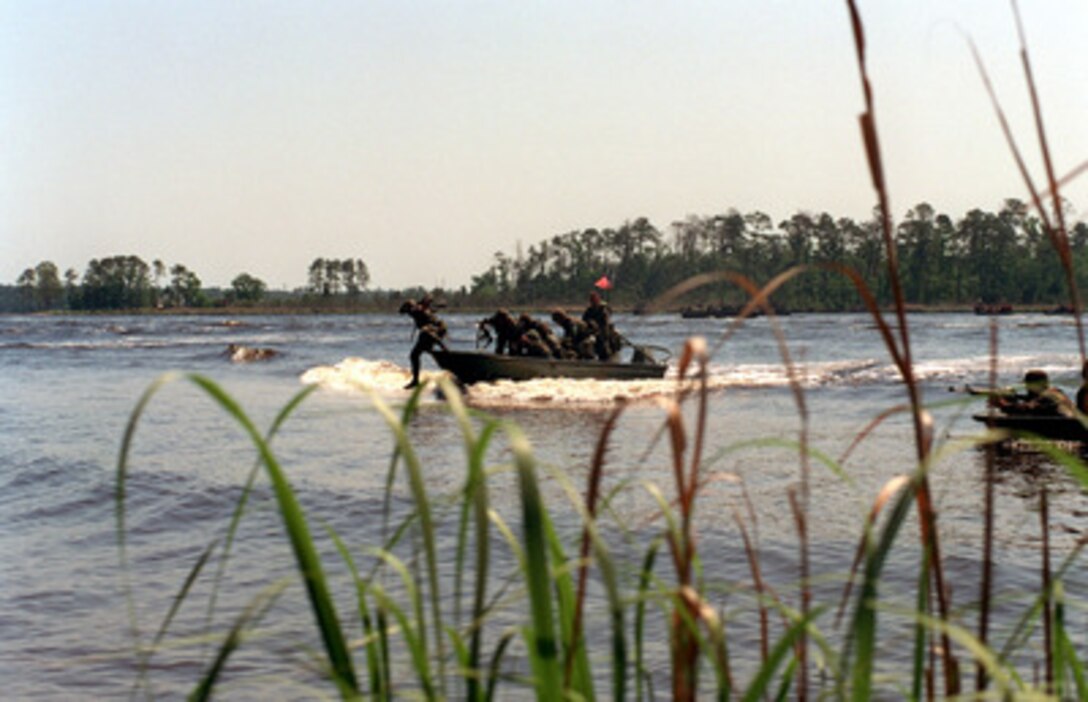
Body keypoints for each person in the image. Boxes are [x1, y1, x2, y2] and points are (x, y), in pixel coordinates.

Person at [399, 298, 448, 389]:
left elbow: (428, 329)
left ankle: (444, 350)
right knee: (418, 353)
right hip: (435, 331)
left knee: (416, 352)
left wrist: (441, 345)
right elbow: (401, 311)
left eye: (410, 309)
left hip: (435, 331)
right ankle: (415, 380)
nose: (409, 313)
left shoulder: (418, 310)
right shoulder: (420, 309)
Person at [991, 369, 1074, 417]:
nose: (1026, 388)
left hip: (1062, 425)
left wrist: (1003, 404)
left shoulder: (1048, 395)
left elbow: (1029, 408)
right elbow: (1033, 402)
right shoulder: (1055, 392)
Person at [581, 291, 622, 361]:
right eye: (592, 300)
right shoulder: (589, 311)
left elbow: (607, 317)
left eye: (595, 299)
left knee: (605, 345)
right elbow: (584, 320)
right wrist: (590, 323)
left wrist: (605, 313)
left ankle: (608, 356)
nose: (593, 302)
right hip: (592, 332)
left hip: (604, 332)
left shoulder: (603, 309)